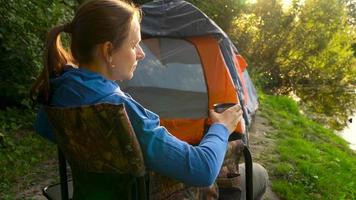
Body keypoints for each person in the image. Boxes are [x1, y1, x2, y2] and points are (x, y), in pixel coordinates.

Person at [31, 0, 268, 199]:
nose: (141, 53)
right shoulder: (119, 110)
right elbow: (203, 169)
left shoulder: (60, 87)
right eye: (134, 45)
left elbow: (44, 128)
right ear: (107, 51)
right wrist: (220, 127)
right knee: (257, 174)